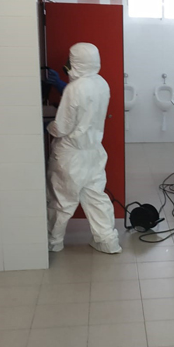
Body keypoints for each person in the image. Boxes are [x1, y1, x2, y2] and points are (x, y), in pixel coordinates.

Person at [46, 43, 122, 254]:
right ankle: (108, 242)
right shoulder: (101, 83)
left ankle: (53, 242)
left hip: (71, 154)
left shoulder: (74, 89)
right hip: (94, 152)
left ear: (76, 62)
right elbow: (86, 106)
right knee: (96, 198)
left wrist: (48, 126)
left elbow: (62, 127)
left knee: (62, 200)